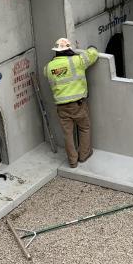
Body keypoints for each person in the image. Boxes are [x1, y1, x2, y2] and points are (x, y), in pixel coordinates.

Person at [44, 38, 99, 168]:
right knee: (84, 128)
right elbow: (92, 54)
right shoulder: (76, 61)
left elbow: (47, 73)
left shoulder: (48, 67)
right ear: (69, 49)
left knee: (67, 134)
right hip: (78, 104)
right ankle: (84, 155)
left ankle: (72, 161)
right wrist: (92, 47)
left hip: (61, 107)